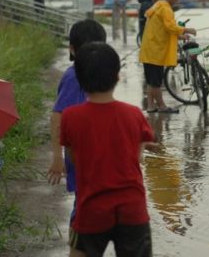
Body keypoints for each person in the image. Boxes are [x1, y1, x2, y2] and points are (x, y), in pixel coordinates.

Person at [61, 42, 157, 257]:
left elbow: (73, 159)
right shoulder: (134, 115)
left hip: (91, 207)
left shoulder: (70, 117)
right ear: (117, 76)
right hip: (132, 208)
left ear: (80, 78)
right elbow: (138, 158)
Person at [46, 19, 107, 255]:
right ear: (72, 50)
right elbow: (57, 116)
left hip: (96, 158)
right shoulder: (74, 77)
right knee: (84, 213)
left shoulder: (98, 75)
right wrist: (57, 158)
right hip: (81, 159)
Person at [139, 0, 197, 114]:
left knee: (150, 80)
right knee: (156, 82)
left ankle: (150, 106)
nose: (177, 0)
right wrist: (187, 29)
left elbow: (165, 29)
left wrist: (181, 36)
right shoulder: (166, 9)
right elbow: (171, 27)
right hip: (156, 51)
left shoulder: (157, 5)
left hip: (149, 48)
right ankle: (162, 106)